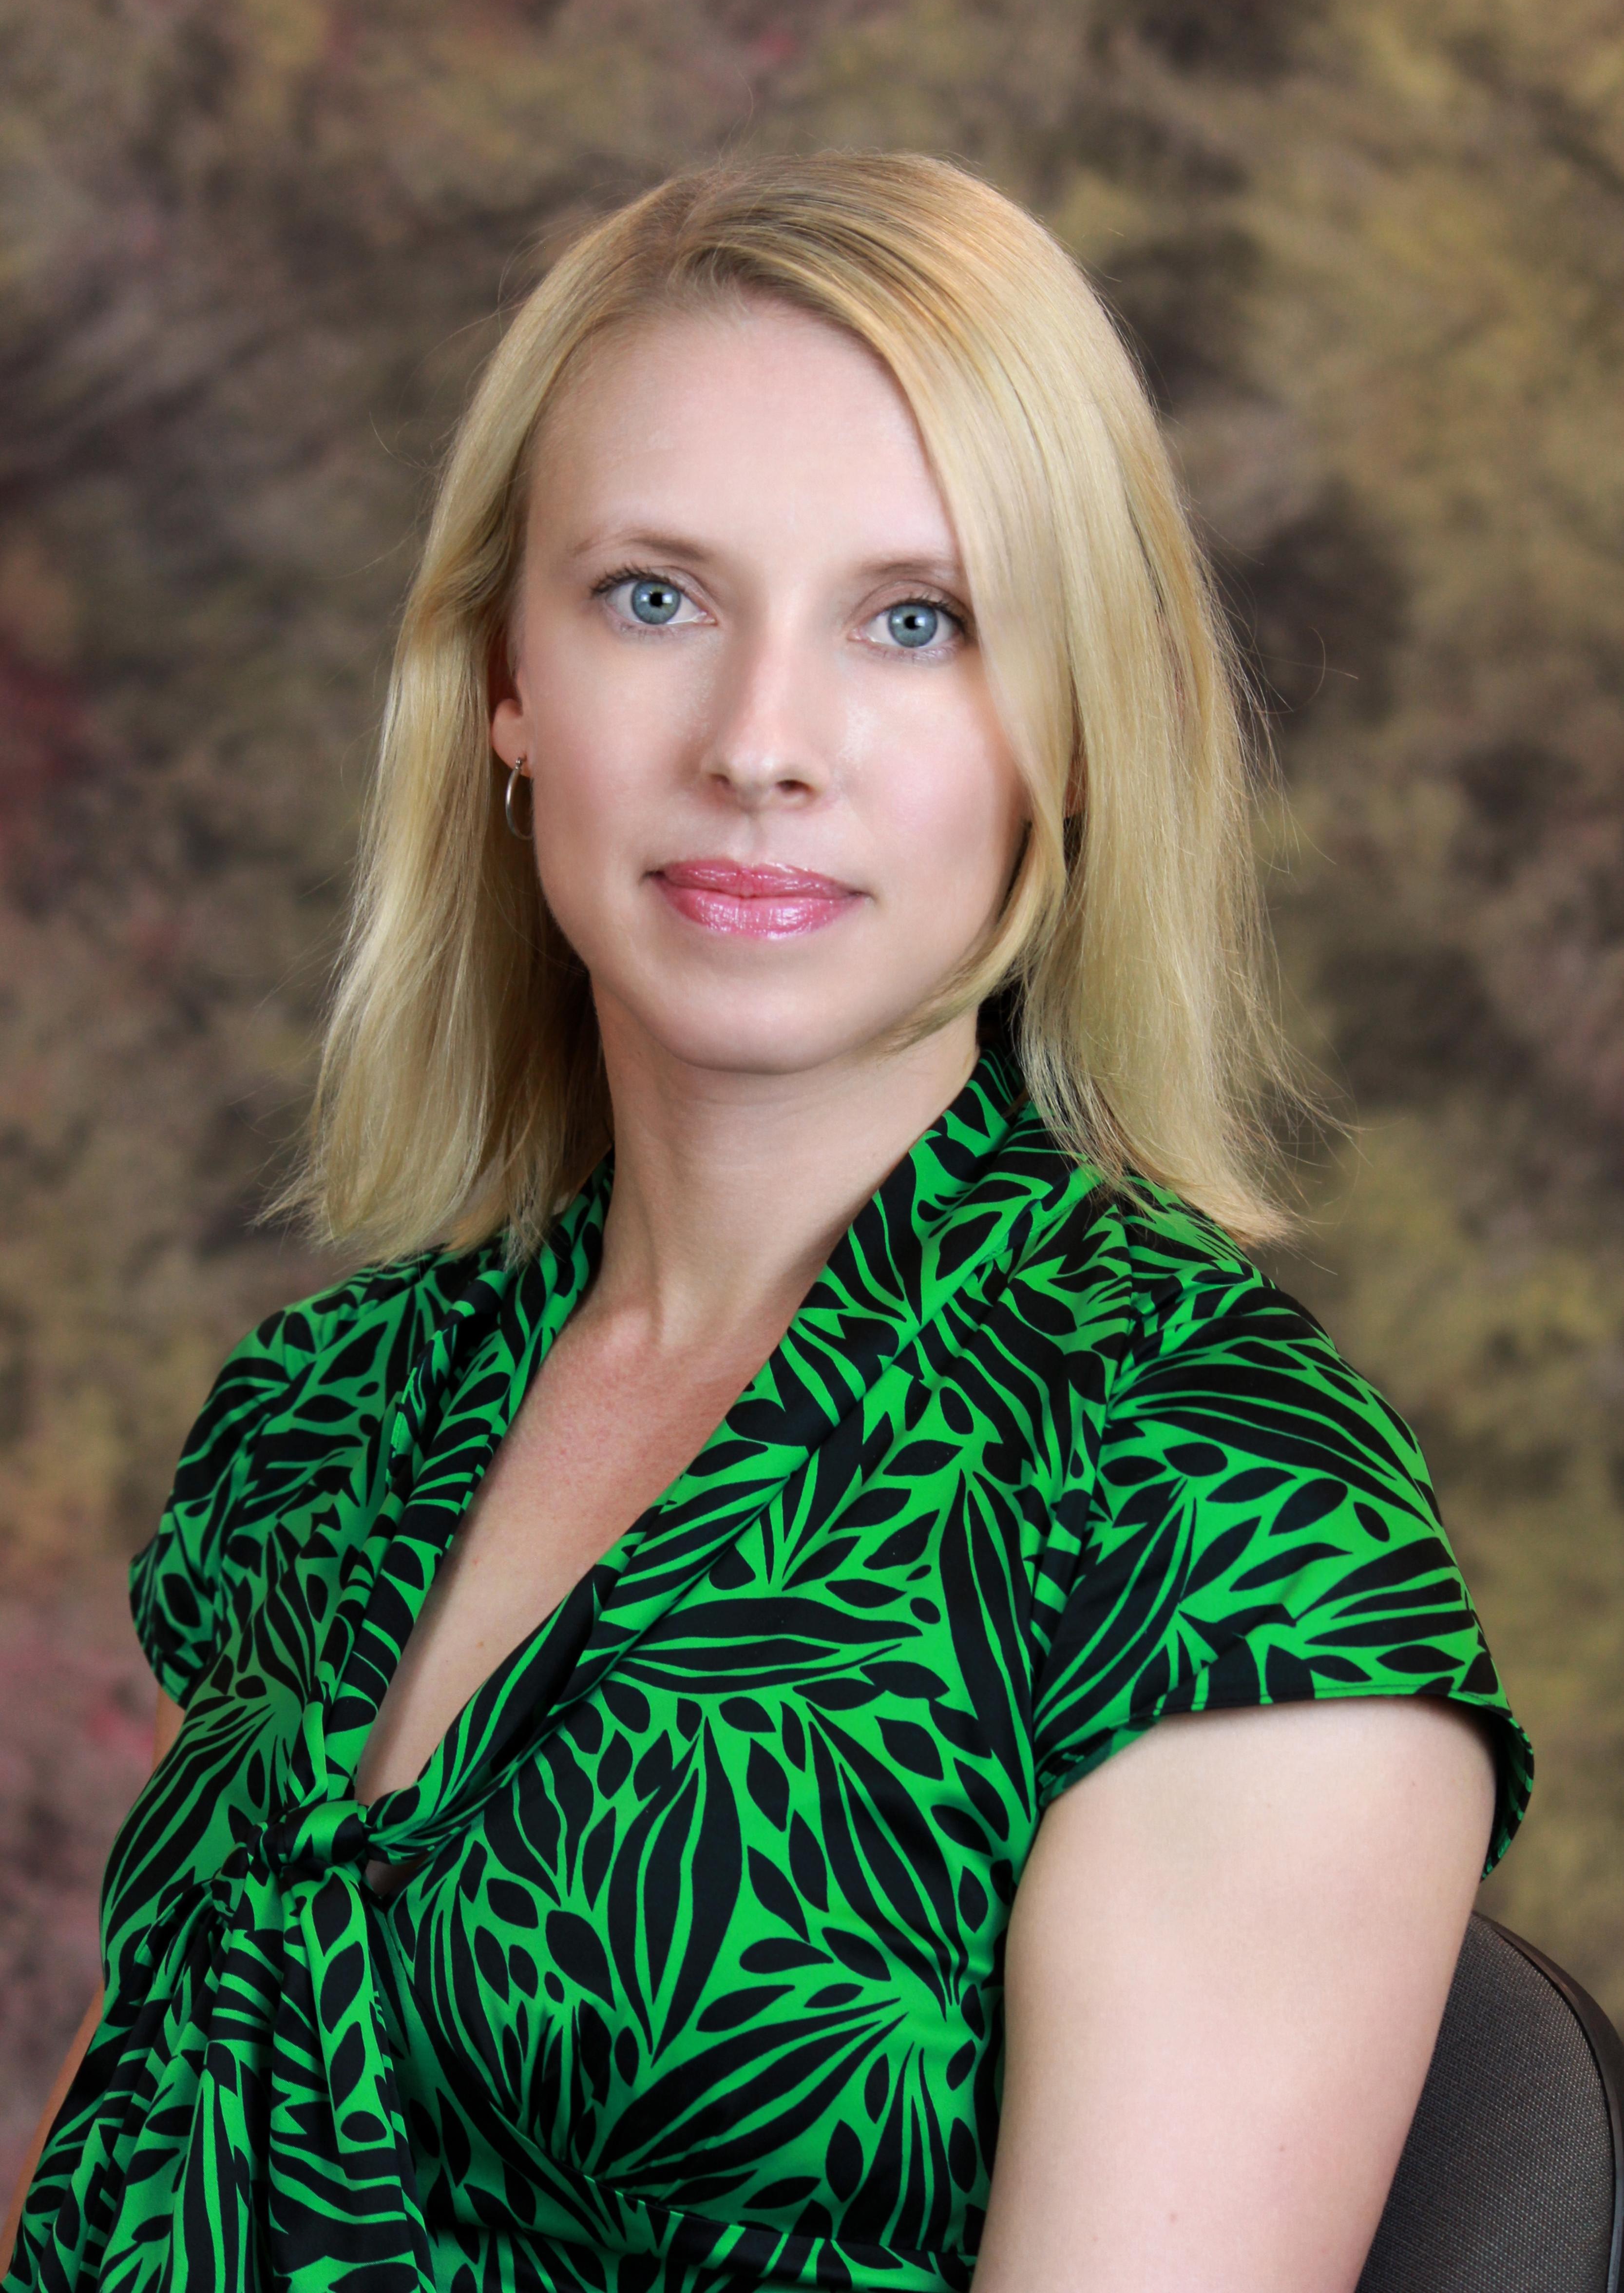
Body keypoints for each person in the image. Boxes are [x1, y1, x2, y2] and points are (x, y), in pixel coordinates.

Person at [3, 152, 1530, 2293]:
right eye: (654, 597)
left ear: (1070, 733)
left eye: (917, 620)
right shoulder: (320, 1415)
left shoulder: (1210, 1516)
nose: (759, 746)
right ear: (507, 688)